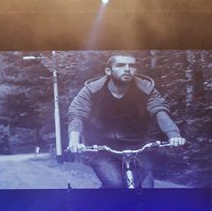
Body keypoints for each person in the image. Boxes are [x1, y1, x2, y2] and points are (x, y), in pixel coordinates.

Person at [66, 53, 185, 188]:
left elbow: (160, 111)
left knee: (147, 188)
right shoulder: (92, 90)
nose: (127, 69)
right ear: (108, 71)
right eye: (121, 65)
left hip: (137, 147)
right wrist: (74, 141)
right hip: (101, 149)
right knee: (115, 185)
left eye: (132, 66)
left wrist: (174, 135)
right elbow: (77, 114)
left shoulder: (146, 89)